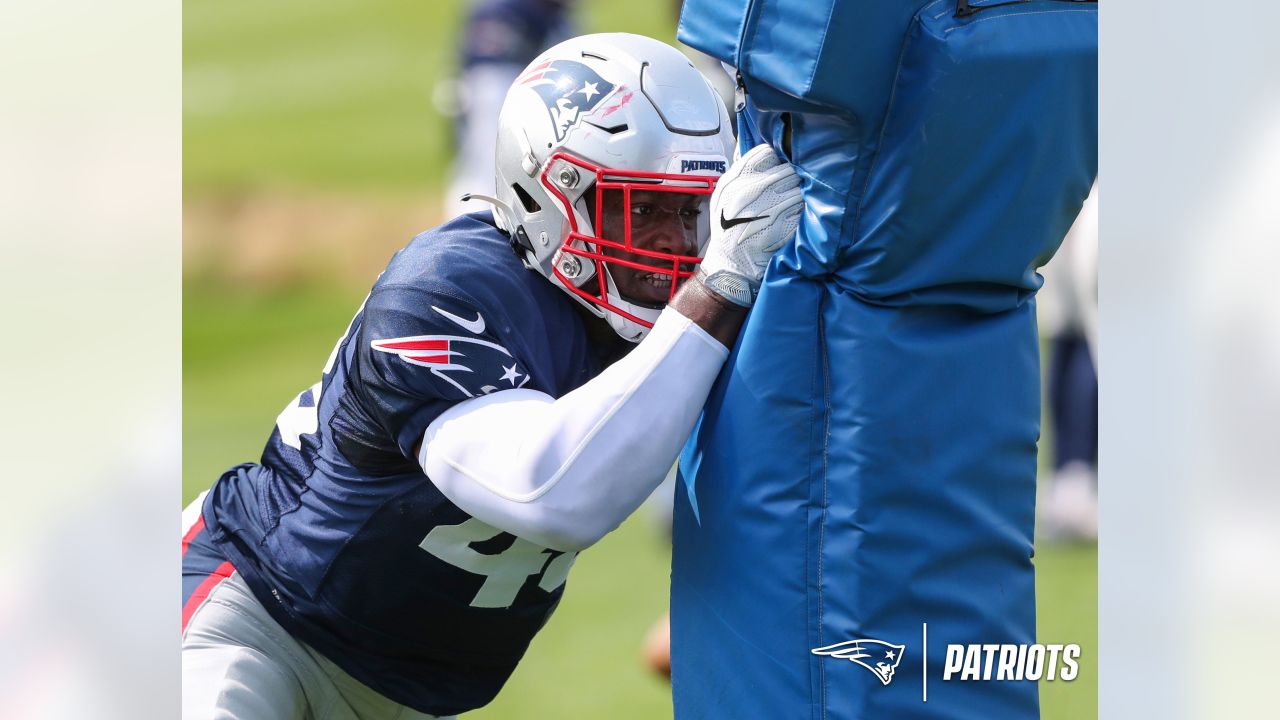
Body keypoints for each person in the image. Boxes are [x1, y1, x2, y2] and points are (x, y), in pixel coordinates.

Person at [181, 32, 803, 720]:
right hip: (259, 626)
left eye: (692, 212)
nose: (671, 245)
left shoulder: (686, 304)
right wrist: (715, 293)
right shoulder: (446, 288)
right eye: (642, 208)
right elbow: (551, 490)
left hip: (410, 696)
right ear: (549, 193)